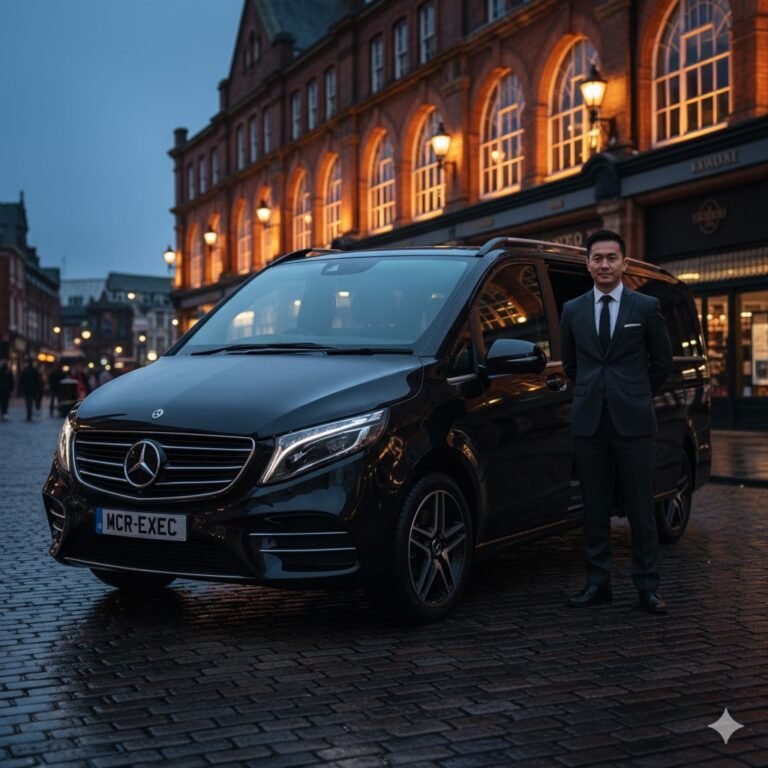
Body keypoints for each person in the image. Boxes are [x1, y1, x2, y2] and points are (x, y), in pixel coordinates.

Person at [560, 229, 673, 615]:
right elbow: (572, 364)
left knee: (641, 509)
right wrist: (593, 393)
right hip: (590, 424)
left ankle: (647, 588)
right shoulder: (572, 310)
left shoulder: (644, 307)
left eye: (611, 257)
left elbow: (662, 364)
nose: (604, 264)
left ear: (624, 263)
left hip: (634, 424)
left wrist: (635, 393)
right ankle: (597, 584)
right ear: (587, 264)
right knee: (594, 510)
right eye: (597, 258)